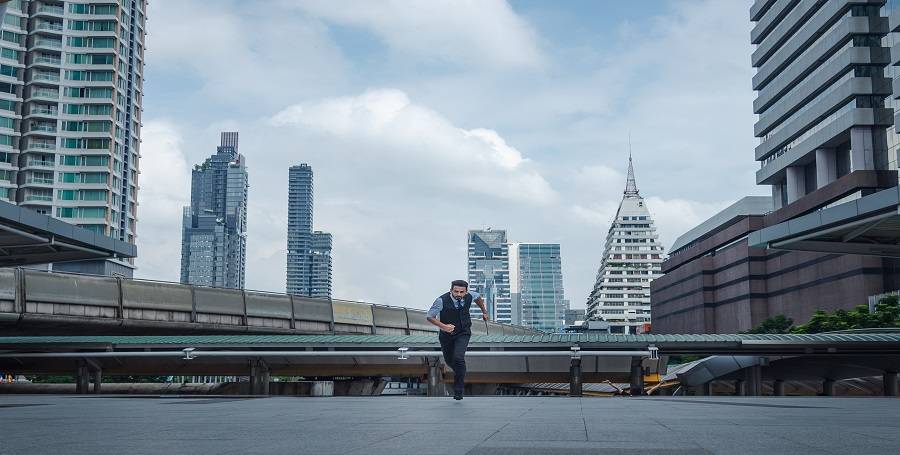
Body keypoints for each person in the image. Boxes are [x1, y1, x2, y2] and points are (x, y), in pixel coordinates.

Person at [426, 279, 489, 400]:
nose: (459, 294)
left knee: (458, 358)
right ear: (451, 290)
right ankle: (460, 372)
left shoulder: (470, 295)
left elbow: (478, 298)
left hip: (463, 332)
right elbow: (429, 316)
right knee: (449, 361)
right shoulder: (441, 300)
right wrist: (444, 327)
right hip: (446, 335)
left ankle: (459, 390)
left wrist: (484, 312)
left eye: (461, 292)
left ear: (466, 292)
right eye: (456, 291)